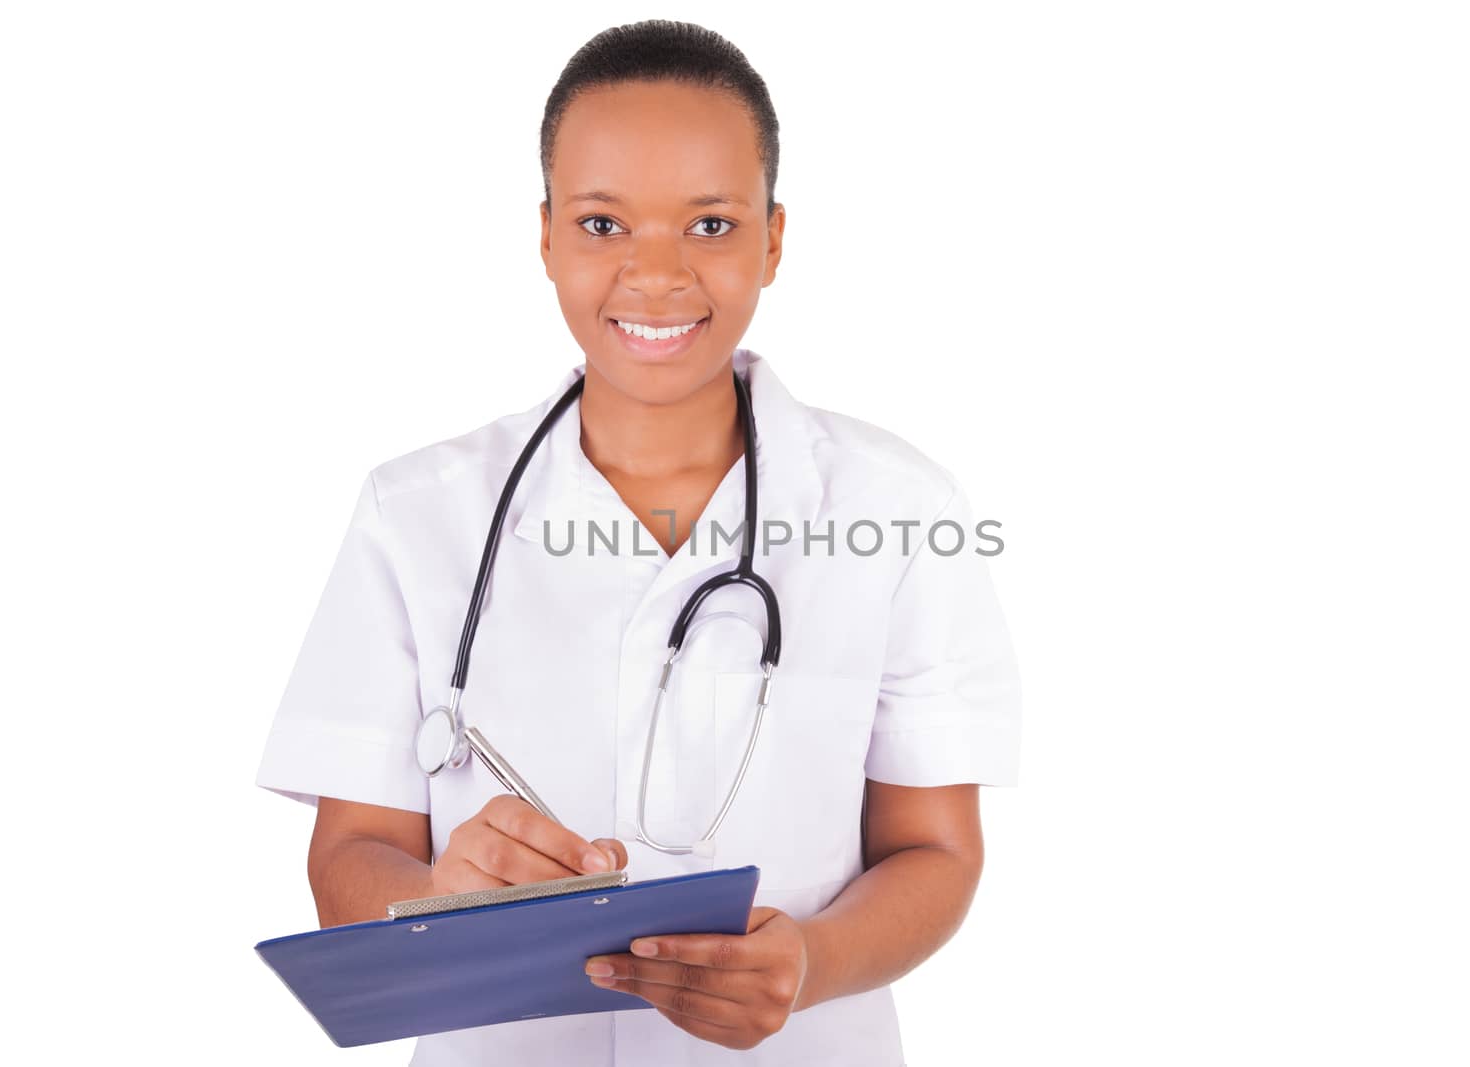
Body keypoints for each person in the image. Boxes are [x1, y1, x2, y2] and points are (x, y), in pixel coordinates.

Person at [255, 19, 1022, 1066]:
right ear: (545, 238)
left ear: (774, 238)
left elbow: (933, 851)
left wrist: (810, 961)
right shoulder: (415, 513)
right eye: (604, 224)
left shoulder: (895, 509)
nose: (654, 276)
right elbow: (349, 855)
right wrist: (434, 894)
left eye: (709, 224)